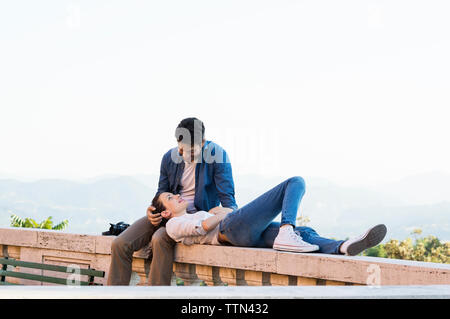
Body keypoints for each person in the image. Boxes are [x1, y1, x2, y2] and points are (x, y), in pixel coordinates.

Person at [107, 117, 238, 285]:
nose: (183, 155)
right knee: (120, 244)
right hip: (168, 211)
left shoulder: (218, 157)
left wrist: (228, 224)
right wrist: (152, 209)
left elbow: (229, 201)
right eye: (180, 149)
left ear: (203, 143)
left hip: (192, 219)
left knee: (159, 239)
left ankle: (157, 295)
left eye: (190, 151)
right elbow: (161, 192)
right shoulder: (169, 158)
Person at [152, 176, 387, 256]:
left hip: (241, 236)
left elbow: (209, 219)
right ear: (165, 211)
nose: (177, 196)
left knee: (303, 233)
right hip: (229, 230)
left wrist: (219, 213)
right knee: (295, 182)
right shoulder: (173, 224)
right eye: (171, 198)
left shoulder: (192, 213)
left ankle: (343, 246)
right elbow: (202, 227)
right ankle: (286, 230)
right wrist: (224, 213)